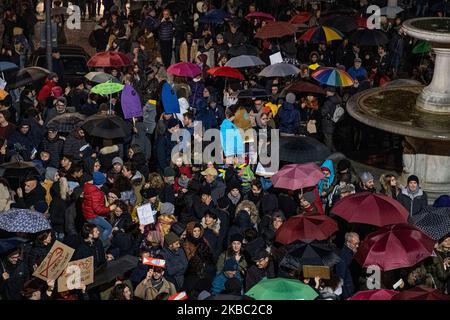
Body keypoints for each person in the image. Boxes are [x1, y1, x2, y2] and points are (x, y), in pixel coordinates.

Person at [81, 172, 116, 242]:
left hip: (87, 213)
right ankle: (101, 242)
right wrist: (109, 208)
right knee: (109, 227)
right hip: (92, 216)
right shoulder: (96, 193)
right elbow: (97, 209)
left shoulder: (88, 187)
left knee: (102, 226)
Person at [335, 232, 360, 299]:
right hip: (347, 291)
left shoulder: (350, 252)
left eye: (358, 243)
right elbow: (341, 276)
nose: (357, 246)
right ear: (348, 243)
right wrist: (346, 295)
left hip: (350, 287)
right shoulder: (344, 255)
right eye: (355, 244)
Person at [320, 87, 342, 152]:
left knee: (327, 138)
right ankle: (334, 152)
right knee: (330, 138)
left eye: (327, 91)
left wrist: (321, 108)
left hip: (328, 122)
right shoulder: (339, 99)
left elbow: (323, 112)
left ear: (329, 92)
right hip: (335, 121)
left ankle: (328, 154)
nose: (326, 92)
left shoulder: (329, 102)